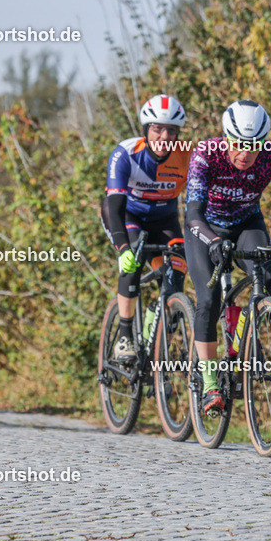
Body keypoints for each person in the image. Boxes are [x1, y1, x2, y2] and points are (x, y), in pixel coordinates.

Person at [185, 100, 271, 414]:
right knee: (209, 297)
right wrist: (213, 241)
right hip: (206, 227)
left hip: (246, 223)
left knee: (267, 278)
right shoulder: (206, 153)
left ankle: (236, 345)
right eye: (239, 145)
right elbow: (192, 213)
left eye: (253, 146)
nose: (245, 154)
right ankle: (210, 380)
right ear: (227, 138)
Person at [102, 94, 191, 362]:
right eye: (157, 129)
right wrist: (122, 247)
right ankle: (125, 336)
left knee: (176, 273)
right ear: (145, 130)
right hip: (128, 215)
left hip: (164, 220)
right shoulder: (125, 154)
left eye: (171, 130)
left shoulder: (187, 154)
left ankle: (158, 318)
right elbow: (113, 206)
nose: (164, 136)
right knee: (132, 261)